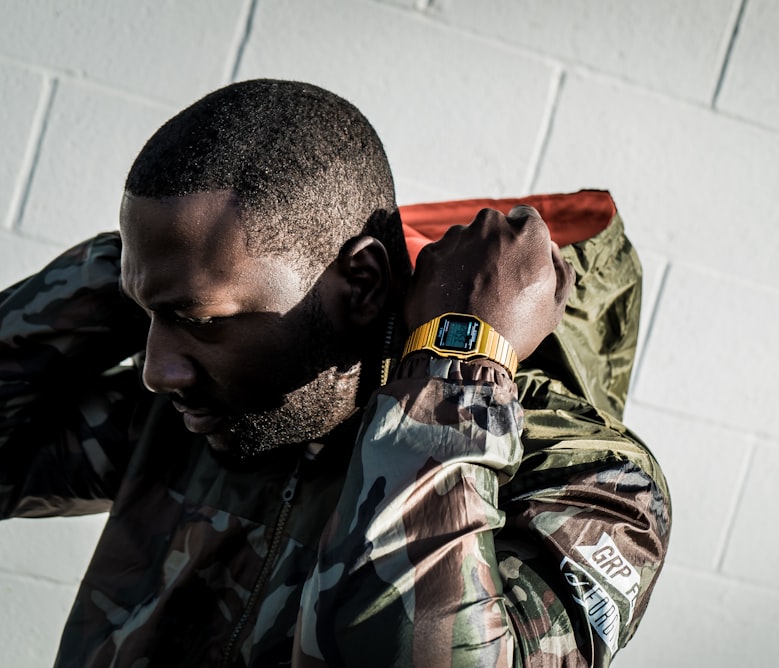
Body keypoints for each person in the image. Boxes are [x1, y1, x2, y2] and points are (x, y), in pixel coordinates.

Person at [0, 79, 670, 667]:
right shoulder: (197, 412)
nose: (155, 370)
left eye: (202, 319)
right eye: (150, 316)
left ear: (364, 281)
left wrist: (457, 372)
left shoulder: (592, 479)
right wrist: (140, 267)